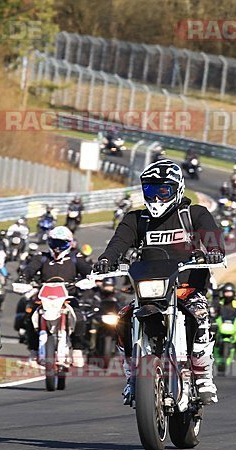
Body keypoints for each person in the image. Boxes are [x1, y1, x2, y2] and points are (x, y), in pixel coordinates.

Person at [93, 159, 225, 405]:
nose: (156, 197)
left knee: (200, 315)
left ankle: (203, 375)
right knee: (123, 319)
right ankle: (133, 378)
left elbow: (212, 235)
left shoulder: (194, 214)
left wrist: (215, 250)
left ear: (177, 189)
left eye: (162, 190)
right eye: (150, 190)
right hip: (149, 289)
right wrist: (105, 260)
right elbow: (118, 243)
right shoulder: (136, 219)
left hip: (186, 287)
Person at [18, 226, 93, 364]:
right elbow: (28, 271)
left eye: (62, 243)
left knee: (80, 318)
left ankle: (77, 349)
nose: (58, 247)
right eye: (55, 243)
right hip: (44, 297)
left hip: (68, 298)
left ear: (69, 244)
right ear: (49, 242)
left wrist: (88, 280)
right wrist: (23, 280)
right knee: (29, 317)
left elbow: (89, 272)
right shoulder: (41, 257)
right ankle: (34, 349)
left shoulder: (76, 257)